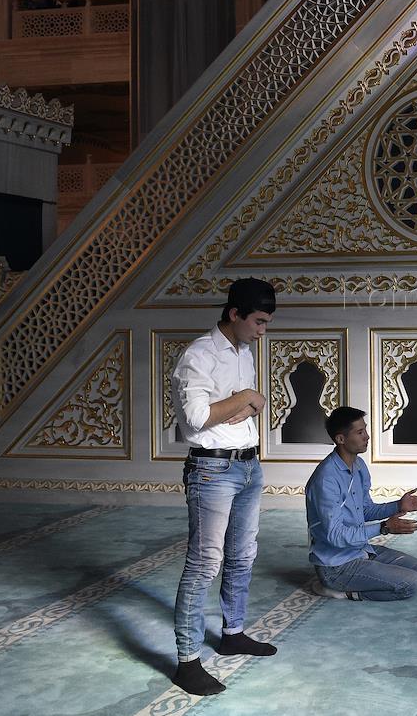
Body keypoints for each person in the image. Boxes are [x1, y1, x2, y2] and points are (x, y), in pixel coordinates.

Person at [170, 278, 278, 696]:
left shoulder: (243, 352)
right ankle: (187, 662)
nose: (262, 331)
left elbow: (248, 407)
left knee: (243, 555)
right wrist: (248, 396)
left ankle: (232, 634)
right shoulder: (198, 355)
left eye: (266, 323)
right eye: (258, 321)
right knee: (204, 564)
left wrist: (251, 401)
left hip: (249, 466)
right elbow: (197, 418)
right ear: (235, 314)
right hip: (212, 471)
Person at [305, 406, 417, 601]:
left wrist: (398, 505)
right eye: (360, 432)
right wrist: (384, 528)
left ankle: (360, 575)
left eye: (365, 430)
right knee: (409, 583)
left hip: (359, 550)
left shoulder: (358, 466)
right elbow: (335, 535)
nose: (367, 436)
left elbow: (364, 510)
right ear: (341, 439)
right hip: (336, 566)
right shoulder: (326, 480)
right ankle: (340, 590)